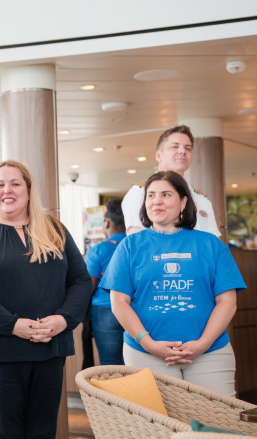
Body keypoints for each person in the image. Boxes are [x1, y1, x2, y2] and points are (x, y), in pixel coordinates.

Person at [0, 160, 92, 439]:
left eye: (15, 183)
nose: (7, 190)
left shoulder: (54, 230)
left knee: (43, 432)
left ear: (29, 191)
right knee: (5, 433)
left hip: (49, 349)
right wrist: (12, 324)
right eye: (0, 184)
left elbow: (80, 280)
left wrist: (63, 320)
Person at [102, 171, 245, 396]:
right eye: (150, 195)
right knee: (156, 426)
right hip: (145, 352)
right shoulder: (130, 246)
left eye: (166, 194)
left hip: (210, 352)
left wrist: (203, 344)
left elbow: (227, 301)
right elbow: (119, 302)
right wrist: (148, 343)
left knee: (216, 425)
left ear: (183, 201)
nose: (156, 200)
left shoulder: (211, 244)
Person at [122, 125, 220, 237]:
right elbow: (139, 242)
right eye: (175, 146)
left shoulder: (201, 199)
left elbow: (215, 244)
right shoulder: (139, 193)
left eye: (188, 148)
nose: (182, 151)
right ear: (159, 155)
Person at [85, 198, 126, 365]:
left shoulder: (98, 250)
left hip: (104, 311)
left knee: (110, 365)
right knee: (133, 362)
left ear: (107, 223)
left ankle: (112, 393)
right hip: (135, 309)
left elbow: (88, 286)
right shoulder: (136, 246)